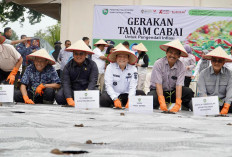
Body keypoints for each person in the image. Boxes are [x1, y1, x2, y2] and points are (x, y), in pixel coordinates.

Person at [148, 39, 194, 112]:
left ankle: (185, 109)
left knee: (188, 92)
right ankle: (155, 113)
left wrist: (178, 102)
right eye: (170, 52)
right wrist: (161, 100)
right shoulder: (158, 64)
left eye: (176, 53)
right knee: (151, 97)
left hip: (173, 92)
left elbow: (179, 85)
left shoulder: (181, 66)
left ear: (179, 56)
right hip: (159, 91)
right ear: (166, 52)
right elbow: (158, 84)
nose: (172, 55)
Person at [55, 40, 98, 106]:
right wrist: (69, 98)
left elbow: (93, 81)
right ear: (73, 54)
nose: (78, 56)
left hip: (87, 90)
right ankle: (71, 101)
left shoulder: (92, 64)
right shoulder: (67, 66)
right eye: (76, 54)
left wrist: (86, 94)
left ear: (85, 54)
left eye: (81, 54)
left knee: (99, 97)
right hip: (73, 91)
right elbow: (66, 84)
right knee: (59, 96)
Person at [197, 46, 232, 114]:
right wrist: (207, 105)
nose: (216, 63)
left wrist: (226, 106)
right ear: (211, 61)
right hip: (208, 104)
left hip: (224, 103)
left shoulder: (230, 74)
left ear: (224, 62)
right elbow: (202, 92)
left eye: (219, 61)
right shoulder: (203, 73)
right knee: (193, 104)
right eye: (214, 60)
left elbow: (230, 91)